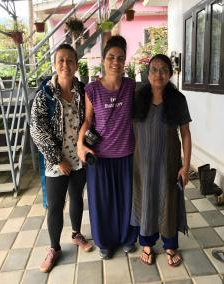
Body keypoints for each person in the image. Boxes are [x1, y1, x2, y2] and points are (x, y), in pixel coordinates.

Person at [30, 44, 93, 273]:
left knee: (77, 197)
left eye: (70, 60)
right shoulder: (45, 95)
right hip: (56, 163)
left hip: (79, 160)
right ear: (55, 64)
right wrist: (57, 159)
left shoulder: (84, 92)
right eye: (61, 60)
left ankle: (77, 234)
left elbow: (91, 120)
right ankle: (54, 248)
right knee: (56, 206)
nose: (65, 65)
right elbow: (37, 130)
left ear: (76, 65)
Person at [77, 35, 138, 259]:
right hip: (99, 157)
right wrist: (80, 145)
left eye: (120, 58)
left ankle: (128, 238)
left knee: (127, 200)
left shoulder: (131, 87)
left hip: (126, 155)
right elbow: (87, 121)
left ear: (125, 61)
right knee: (101, 202)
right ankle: (104, 242)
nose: (116, 61)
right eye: (111, 57)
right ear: (103, 60)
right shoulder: (92, 89)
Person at [131, 54, 191, 267]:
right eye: (154, 69)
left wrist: (185, 166)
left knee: (168, 202)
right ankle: (146, 243)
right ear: (148, 74)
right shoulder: (137, 97)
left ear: (170, 74)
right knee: (145, 199)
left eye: (163, 70)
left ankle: (170, 244)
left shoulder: (178, 100)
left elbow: (185, 134)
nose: (159, 74)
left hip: (168, 163)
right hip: (142, 164)